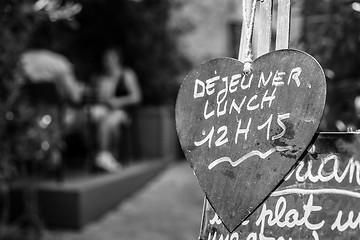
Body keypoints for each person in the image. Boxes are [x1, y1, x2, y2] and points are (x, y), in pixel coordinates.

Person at [90, 47, 142, 172]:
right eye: (105, 59)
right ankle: (103, 156)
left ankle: (104, 154)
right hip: (103, 110)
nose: (106, 61)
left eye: (109, 58)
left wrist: (118, 101)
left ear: (117, 59)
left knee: (109, 121)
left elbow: (136, 97)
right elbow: (96, 97)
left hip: (122, 112)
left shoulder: (126, 75)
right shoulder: (99, 77)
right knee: (90, 116)